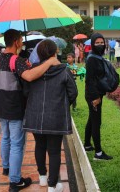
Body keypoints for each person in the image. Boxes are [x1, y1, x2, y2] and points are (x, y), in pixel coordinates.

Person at [0, 29, 60, 192]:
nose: (22, 43)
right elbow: (30, 77)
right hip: (14, 107)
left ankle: (6, 167)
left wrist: (25, 66)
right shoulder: (16, 60)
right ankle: (15, 181)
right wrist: (49, 63)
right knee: (17, 144)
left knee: (6, 138)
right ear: (16, 41)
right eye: (21, 40)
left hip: (0, 106)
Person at [23, 40, 78, 192]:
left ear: (39, 54)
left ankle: (42, 177)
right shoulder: (63, 70)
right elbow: (73, 92)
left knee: (39, 146)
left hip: (35, 116)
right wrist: (62, 105)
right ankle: (52, 186)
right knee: (54, 151)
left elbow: (26, 92)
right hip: (55, 116)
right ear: (55, 53)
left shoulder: (32, 71)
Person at [84, 33, 113, 160]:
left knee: (92, 119)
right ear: (93, 44)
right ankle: (98, 153)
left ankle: (87, 144)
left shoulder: (96, 56)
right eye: (97, 43)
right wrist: (95, 97)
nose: (100, 45)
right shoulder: (92, 59)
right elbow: (90, 80)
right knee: (96, 122)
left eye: (102, 43)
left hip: (96, 94)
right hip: (93, 95)